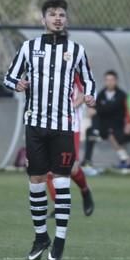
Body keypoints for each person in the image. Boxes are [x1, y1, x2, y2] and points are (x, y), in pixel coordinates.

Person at [4, 0, 96, 260]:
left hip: (64, 126)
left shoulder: (76, 50)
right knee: (35, 182)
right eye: (53, 14)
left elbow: (89, 80)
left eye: (62, 15)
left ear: (66, 20)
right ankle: (41, 236)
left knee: (61, 181)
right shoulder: (28, 47)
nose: (58, 18)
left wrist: (90, 96)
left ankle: (60, 240)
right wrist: (17, 83)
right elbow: (9, 76)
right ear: (43, 19)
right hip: (35, 125)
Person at [46, 74, 94, 217]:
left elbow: (84, 92)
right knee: (48, 168)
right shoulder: (46, 65)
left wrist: (70, 106)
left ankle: (85, 191)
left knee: (71, 168)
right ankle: (58, 206)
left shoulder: (74, 65)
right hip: (50, 124)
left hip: (71, 125)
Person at [81, 70, 128, 168]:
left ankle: (124, 159)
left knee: (110, 133)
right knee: (89, 131)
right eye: (107, 80)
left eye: (112, 80)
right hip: (102, 125)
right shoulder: (101, 94)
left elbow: (112, 108)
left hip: (116, 125)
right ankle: (87, 160)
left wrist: (97, 110)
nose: (109, 82)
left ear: (116, 81)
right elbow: (96, 108)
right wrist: (94, 110)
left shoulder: (121, 95)